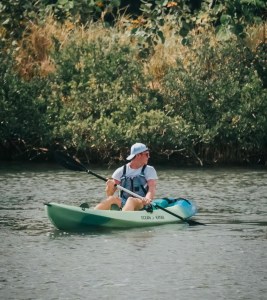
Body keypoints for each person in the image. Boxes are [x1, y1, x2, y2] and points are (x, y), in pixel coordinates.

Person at [94, 143, 158, 211]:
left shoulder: (149, 170)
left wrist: (147, 199)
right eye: (146, 154)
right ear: (138, 155)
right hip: (123, 202)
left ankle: (123, 216)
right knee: (112, 199)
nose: (148, 157)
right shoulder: (120, 171)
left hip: (141, 202)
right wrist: (109, 187)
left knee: (131, 200)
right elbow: (110, 194)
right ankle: (93, 213)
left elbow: (152, 188)